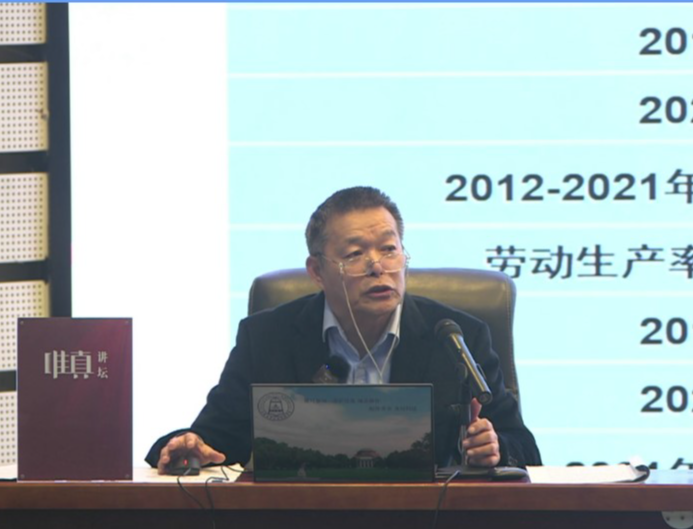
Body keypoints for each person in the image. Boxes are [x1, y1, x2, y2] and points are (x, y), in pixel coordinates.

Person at [146, 186, 541, 471]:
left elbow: (523, 447)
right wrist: (187, 446)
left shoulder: (456, 336)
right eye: (355, 254)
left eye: (389, 249)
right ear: (317, 271)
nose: (377, 266)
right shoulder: (267, 338)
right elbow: (215, 438)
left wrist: (494, 449)